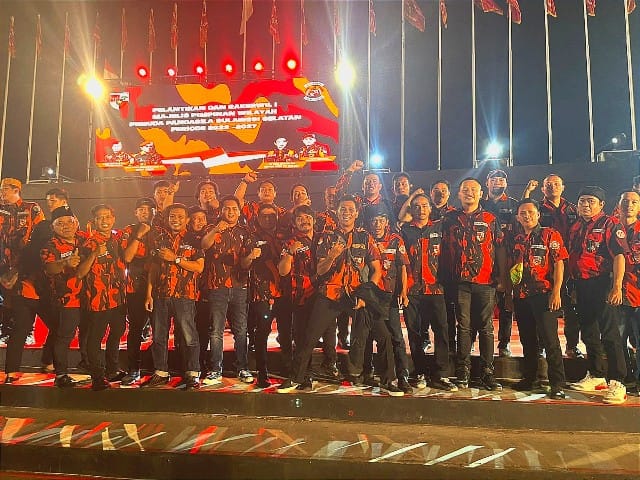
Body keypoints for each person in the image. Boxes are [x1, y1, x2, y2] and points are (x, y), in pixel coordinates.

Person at [278, 195, 401, 396]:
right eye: (343, 209)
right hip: (331, 292)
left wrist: (366, 294)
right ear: (336, 212)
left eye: (351, 209)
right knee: (309, 336)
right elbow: (320, 269)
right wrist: (332, 255)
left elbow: (376, 270)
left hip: (357, 293)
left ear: (356, 213)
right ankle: (296, 377)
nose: (346, 213)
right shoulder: (326, 237)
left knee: (384, 335)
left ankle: (388, 380)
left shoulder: (365, 237)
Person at [441, 177, 506, 391]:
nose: (469, 192)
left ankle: (487, 372)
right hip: (460, 282)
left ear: (481, 194)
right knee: (463, 327)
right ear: (458, 194)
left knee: (486, 327)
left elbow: (500, 248)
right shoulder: (449, 219)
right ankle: (463, 371)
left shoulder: (490, 218)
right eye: (465, 189)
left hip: (486, 281)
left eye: (473, 189)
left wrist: (502, 277)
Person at [568, 186, 628, 404]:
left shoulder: (610, 224)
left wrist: (617, 286)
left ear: (601, 204)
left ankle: (618, 381)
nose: (585, 205)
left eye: (591, 201)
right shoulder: (576, 226)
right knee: (589, 331)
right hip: (582, 284)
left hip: (603, 283)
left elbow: (620, 256)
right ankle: (596, 374)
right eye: (582, 201)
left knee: (610, 334)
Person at [507, 199, 567, 400]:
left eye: (531, 212)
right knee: (527, 339)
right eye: (522, 213)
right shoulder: (516, 239)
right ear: (517, 217)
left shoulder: (550, 234)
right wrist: (510, 294)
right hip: (522, 296)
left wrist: (556, 291)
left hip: (543, 294)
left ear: (538, 214)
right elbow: (511, 268)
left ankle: (557, 383)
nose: (527, 216)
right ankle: (530, 378)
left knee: (550, 340)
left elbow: (559, 263)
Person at [143, 203, 204, 389]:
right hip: (160, 295)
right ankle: (161, 372)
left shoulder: (195, 239)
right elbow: (153, 268)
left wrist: (176, 259)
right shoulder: (160, 239)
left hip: (184, 295)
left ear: (187, 220)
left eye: (180, 216)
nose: (175, 220)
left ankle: (192, 373)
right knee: (158, 336)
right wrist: (149, 294)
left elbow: (199, 267)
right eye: (172, 216)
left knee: (188, 335)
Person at [522, 174, 582, 359]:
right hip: (545, 266)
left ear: (563, 187)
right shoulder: (537, 208)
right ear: (542, 189)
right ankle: (541, 345)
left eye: (556, 184)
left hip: (570, 264)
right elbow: (524, 210)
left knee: (571, 307)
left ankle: (572, 345)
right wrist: (527, 192)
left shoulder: (573, 209)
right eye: (548, 184)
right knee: (543, 310)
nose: (552, 187)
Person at [401, 195, 457, 391]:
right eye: (417, 206)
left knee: (441, 330)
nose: (421, 209)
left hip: (436, 288)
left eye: (425, 205)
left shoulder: (440, 228)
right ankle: (419, 372)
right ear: (411, 209)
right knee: (415, 332)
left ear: (430, 208)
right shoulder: (405, 231)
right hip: (413, 289)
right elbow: (401, 262)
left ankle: (441, 374)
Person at [200, 196, 254, 385]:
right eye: (227, 208)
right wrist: (216, 229)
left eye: (234, 209)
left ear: (239, 211)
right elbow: (204, 246)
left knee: (241, 330)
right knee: (216, 330)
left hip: (240, 286)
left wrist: (251, 257)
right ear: (221, 210)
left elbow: (246, 263)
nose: (230, 212)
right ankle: (215, 370)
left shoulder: (245, 232)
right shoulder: (211, 228)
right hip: (217, 287)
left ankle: (243, 368)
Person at [365, 205, 413, 393]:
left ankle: (403, 376)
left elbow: (402, 266)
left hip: (390, 296)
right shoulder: (364, 238)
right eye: (374, 221)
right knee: (370, 336)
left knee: (396, 337)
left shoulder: (395, 239)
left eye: (381, 220)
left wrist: (404, 292)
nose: (377, 224)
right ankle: (368, 373)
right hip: (371, 296)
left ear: (387, 222)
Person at [79, 204, 127, 391]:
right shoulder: (88, 244)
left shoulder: (118, 240)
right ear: (94, 221)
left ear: (113, 219)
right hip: (97, 300)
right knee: (95, 338)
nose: (104, 221)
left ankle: (112, 369)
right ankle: (97, 376)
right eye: (100, 218)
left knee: (118, 331)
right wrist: (94, 254)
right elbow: (80, 273)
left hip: (118, 298)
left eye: (107, 217)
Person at [41, 206, 84, 388]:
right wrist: (65, 262)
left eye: (69, 221)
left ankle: (90, 366)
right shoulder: (50, 246)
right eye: (60, 223)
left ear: (76, 223)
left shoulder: (84, 239)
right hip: (67, 299)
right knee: (64, 336)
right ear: (53, 226)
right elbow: (49, 268)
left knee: (88, 334)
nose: (66, 226)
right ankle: (61, 374)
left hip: (90, 297)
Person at [246, 204, 286, 387]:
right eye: (264, 216)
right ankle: (262, 373)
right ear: (258, 218)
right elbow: (248, 263)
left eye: (272, 216)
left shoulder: (285, 236)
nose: (268, 219)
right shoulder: (252, 237)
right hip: (263, 293)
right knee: (262, 332)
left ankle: (289, 371)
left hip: (286, 292)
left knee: (286, 332)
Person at [481, 169, 519, 358]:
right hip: (483, 263)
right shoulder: (480, 204)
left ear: (506, 183)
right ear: (486, 183)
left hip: (509, 261)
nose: (497, 182)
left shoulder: (514, 205)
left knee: (506, 305)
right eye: (494, 179)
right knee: (481, 308)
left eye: (501, 179)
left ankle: (504, 344)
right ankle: (477, 342)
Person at [119, 198, 156, 386]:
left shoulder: (161, 230)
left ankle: (161, 369)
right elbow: (127, 257)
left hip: (159, 285)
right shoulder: (129, 230)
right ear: (135, 212)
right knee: (135, 329)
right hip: (135, 286)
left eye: (149, 209)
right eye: (141, 209)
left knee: (160, 329)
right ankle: (133, 369)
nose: (145, 212)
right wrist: (139, 235)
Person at [618, 190, 640, 394]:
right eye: (625, 201)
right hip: (616, 294)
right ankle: (626, 377)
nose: (629, 205)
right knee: (616, 340)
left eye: (634, 202)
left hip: (638, 293)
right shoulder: (610, 228)